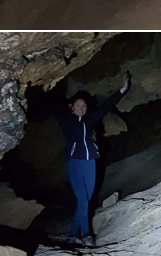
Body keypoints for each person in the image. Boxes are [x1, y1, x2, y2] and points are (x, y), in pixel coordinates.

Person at [56, 71, 131, 245]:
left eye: (83, 106)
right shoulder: (66, 120)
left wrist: (122, 89)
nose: (81, 108)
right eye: (77, 105)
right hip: (75, 163)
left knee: (85, 201)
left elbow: (106, 105)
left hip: (91, 164)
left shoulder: (90, 120)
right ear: (71, 107)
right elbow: (52, 104)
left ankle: (72, 234)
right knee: (83, 200)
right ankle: (86, 235)